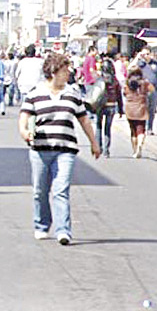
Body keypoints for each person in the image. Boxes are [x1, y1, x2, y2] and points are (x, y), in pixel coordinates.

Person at [18, 52, 100, 246]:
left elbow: (84, 120)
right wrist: (24, 132)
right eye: (64, 70)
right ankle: (41, 225)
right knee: (40, 191)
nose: (68, 74)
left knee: (61, 190)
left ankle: (63, 230)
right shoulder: (35, 94)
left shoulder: (72, 94)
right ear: (53, 72)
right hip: (40, 149)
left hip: (65, 149)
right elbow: (24, 118)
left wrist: (94, 142)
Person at [131, 47, 157, 135]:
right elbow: (130, 68)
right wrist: (137, 57)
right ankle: (142, 127)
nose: (146, 56)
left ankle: (149, 128)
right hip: (143, 90)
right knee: (143, 108)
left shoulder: (155, 63)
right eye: (144, 54)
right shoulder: (139, 63)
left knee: (152, 109)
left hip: (155, 89)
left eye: (147, 54)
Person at [95, 59, 123, 158]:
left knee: (98, 126)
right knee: (108, 128)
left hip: (100, 106)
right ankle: (106, 150)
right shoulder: (115, 81)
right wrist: (120, 109)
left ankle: (99, 146)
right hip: (111, 106)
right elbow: (119, 96)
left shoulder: (100, 79)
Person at [123, 68, 154, 158]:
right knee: (141, 129)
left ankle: (135, 150)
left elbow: (124, 93)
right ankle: (140, 145)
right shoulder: (144, 82)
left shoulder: (127, 83)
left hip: (130, 109)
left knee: (133, 131)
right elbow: (152, 89)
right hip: (141, 107)